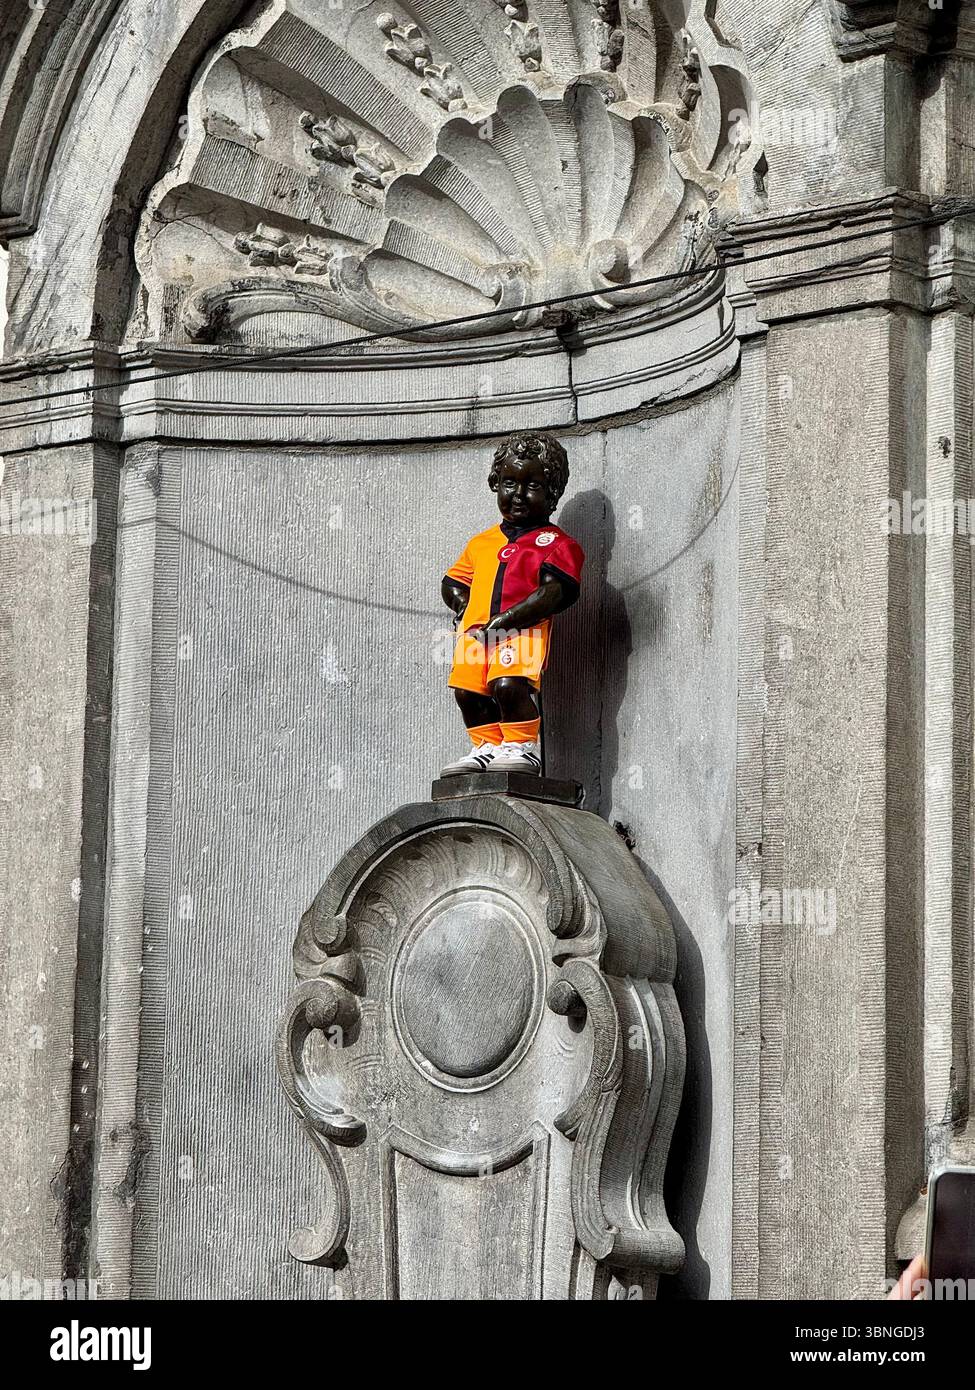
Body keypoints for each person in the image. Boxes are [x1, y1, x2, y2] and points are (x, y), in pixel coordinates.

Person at [440, 430, 585, 776]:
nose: (518, 495)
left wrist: (509, 618)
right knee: (467, 692)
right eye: (509, 483)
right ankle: (486, 746)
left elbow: (556, 592)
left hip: (521, 634)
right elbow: (453, 581)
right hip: (476, 635)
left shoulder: (555, 543)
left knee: (508, 686)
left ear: (552, 494)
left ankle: (521, 744)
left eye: (532, 486)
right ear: (496, 484)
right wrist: (463, 606)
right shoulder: (482, 542)